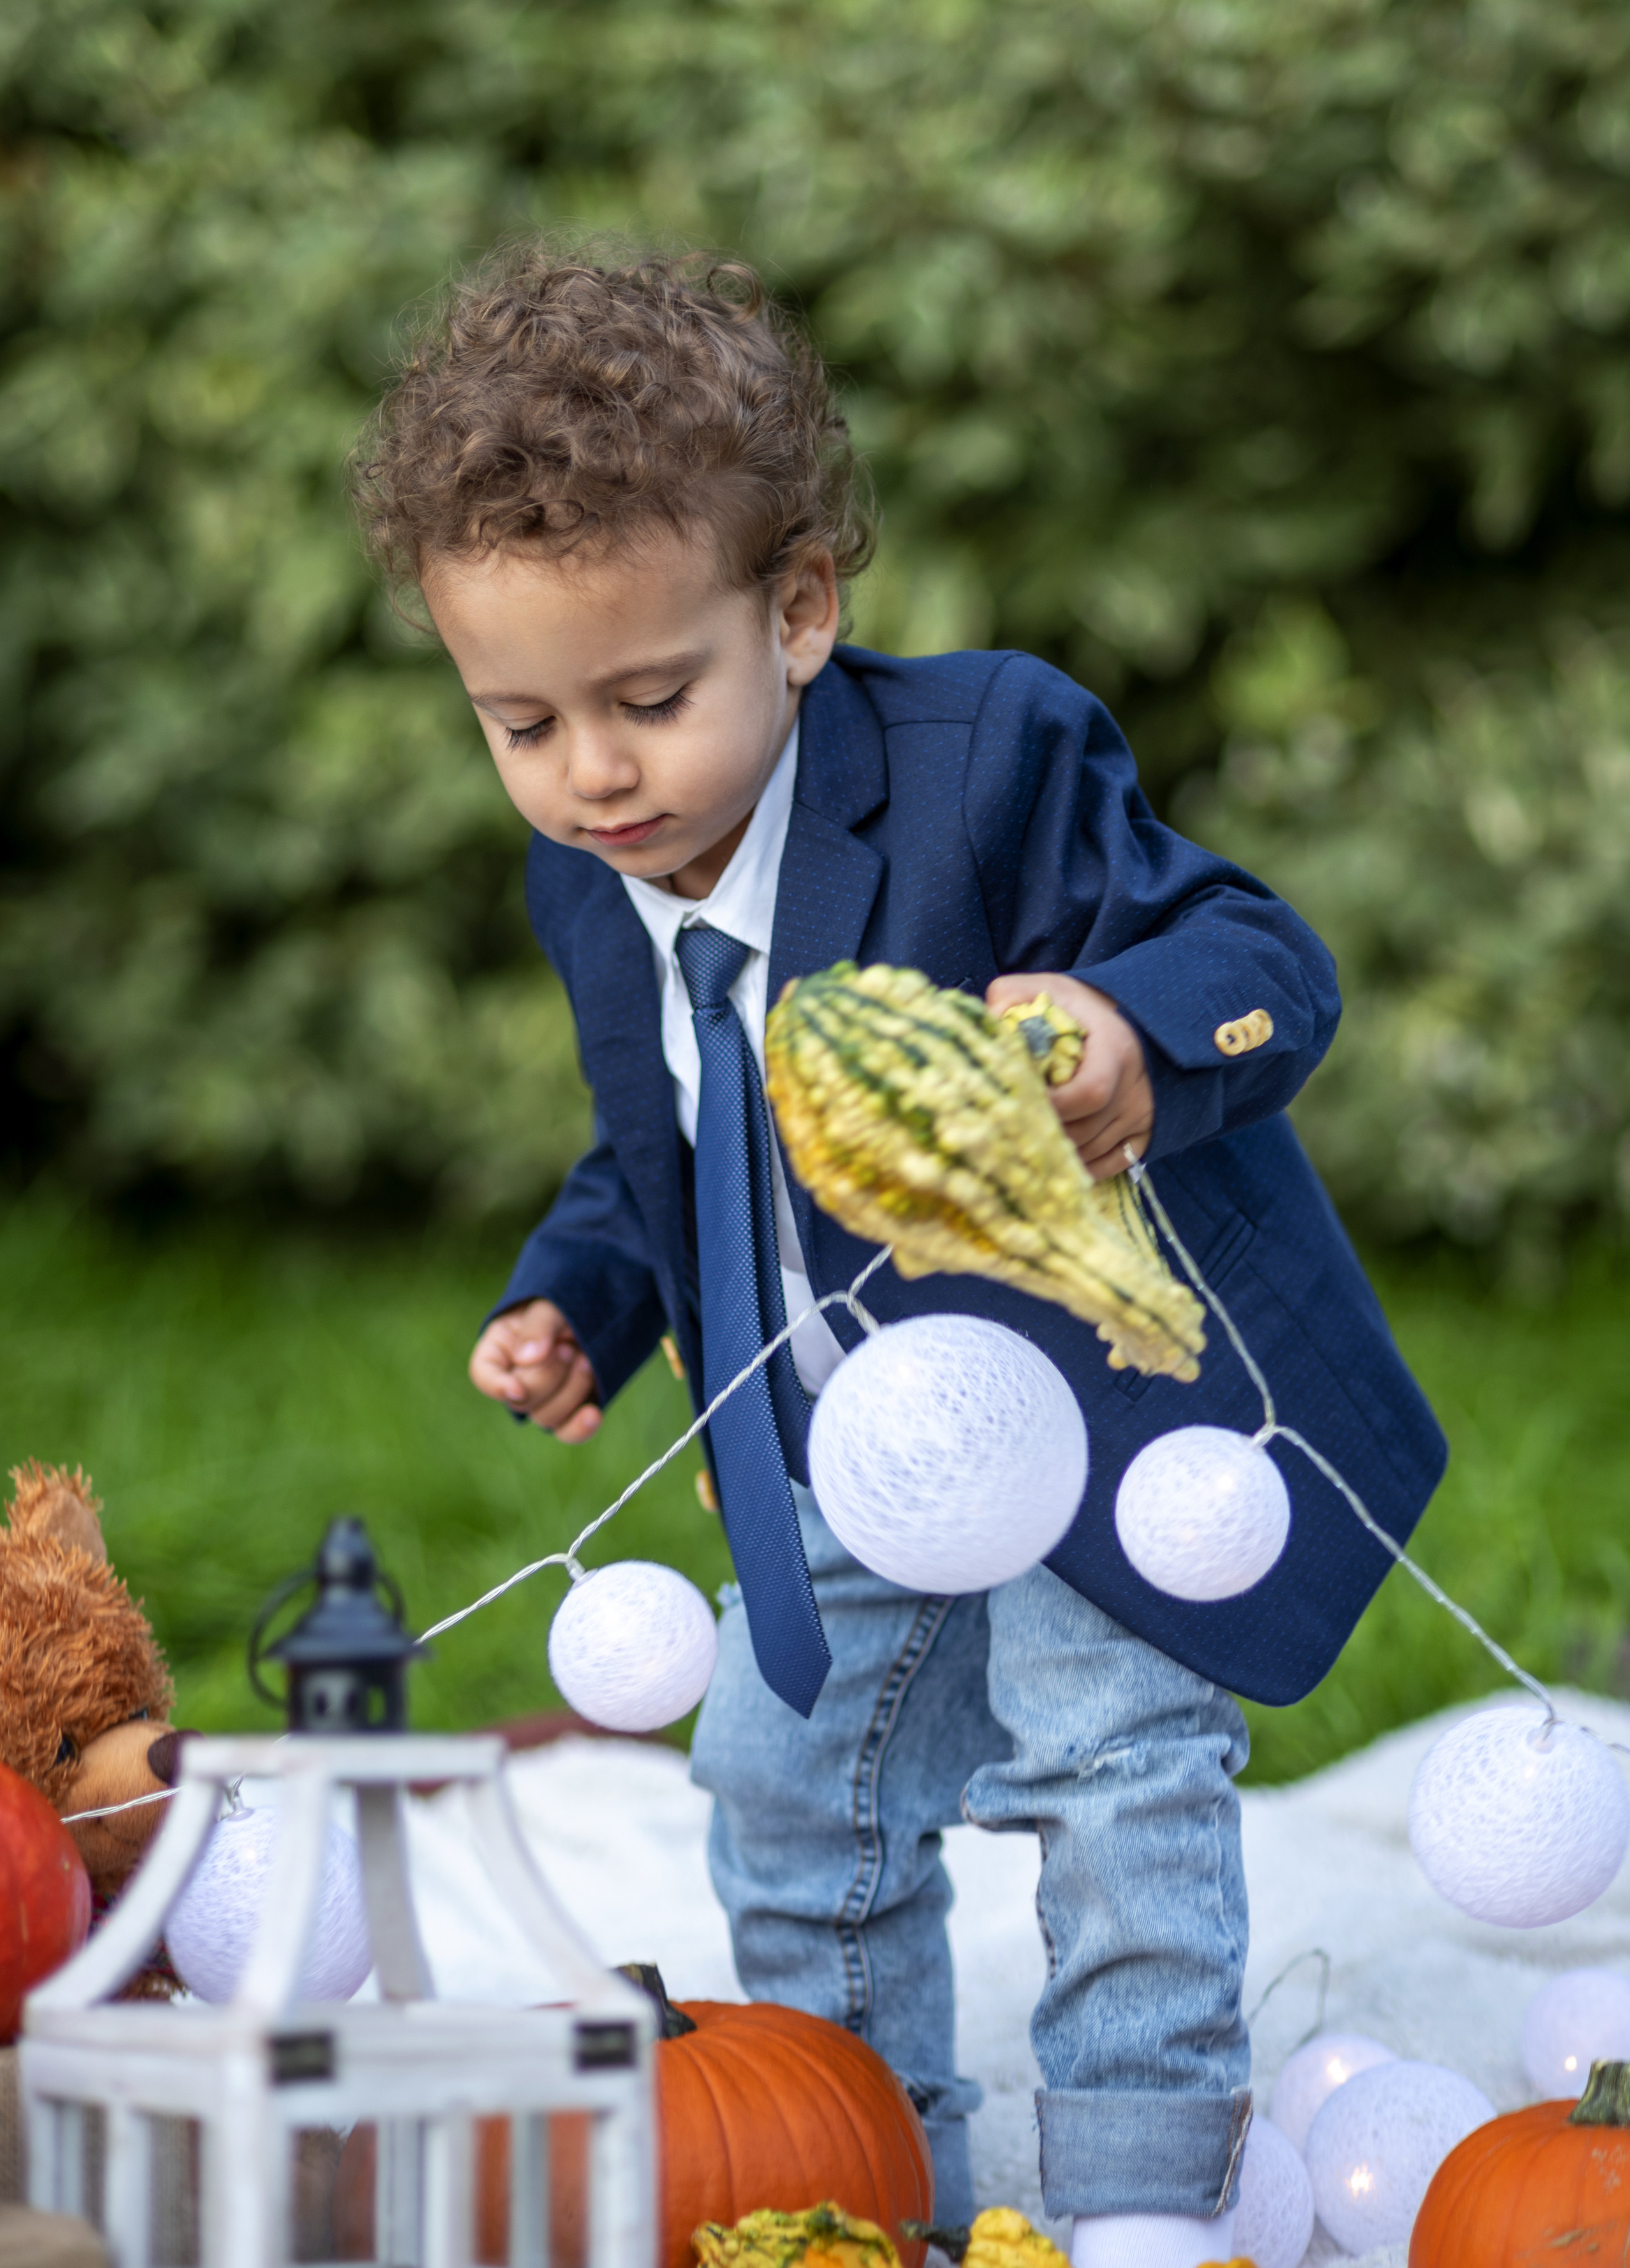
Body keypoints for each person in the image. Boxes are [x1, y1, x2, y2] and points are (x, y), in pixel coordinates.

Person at [351, 243, 1446, 2268]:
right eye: (519, 721)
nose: (591, 771)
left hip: (1109, 1409)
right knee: (785, 1776)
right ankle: (855, 2175)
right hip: (848, 1440)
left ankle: (1138, 2203)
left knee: (1112, 1775)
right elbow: (662, 1132)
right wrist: (574, 1293)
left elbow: (1263, 962)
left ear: (798, 609)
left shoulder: (989, 760)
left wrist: (1127, 1034)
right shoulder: (592, 877)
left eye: (647, 699)